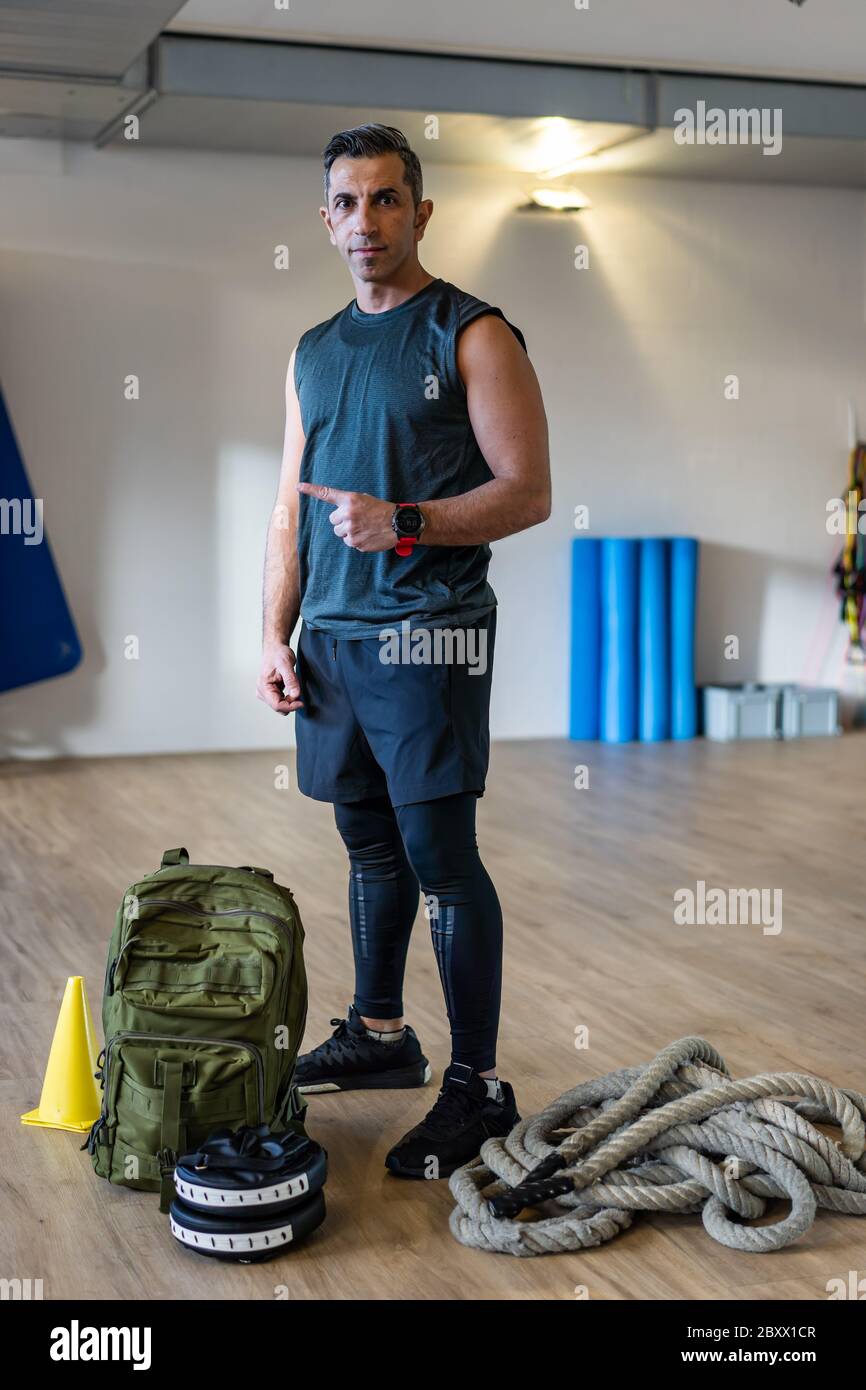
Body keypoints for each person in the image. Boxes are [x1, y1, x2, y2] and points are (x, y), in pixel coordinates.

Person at [257, 123, 550, 1178]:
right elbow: (287, 511)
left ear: (419, 214)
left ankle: (476, 1084)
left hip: (427, 638)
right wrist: (273, 633)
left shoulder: (469, 333)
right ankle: (380, 1036)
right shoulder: (313, 349)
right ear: (325, 217)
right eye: (346, 201)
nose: (364, 220)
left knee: (439, 859)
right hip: (331, 643)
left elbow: (526, 491)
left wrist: (407, 524)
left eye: (386, 200)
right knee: (367, 849)